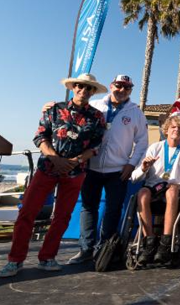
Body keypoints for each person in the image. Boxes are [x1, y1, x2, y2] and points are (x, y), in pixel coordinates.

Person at [1, 73, 107, 277]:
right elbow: (40, 136)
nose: (83, 90)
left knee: (62, 217)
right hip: (47, 169)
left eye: (88, 88)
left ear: (93, 92)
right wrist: (56, 159)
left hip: (75, 172)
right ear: (73, 87)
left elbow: (96, 145)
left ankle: (47, 257)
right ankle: (15, 260)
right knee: (27, 213)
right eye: (79, 86)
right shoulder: (54, 109)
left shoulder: (97, 117)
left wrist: (74, 161)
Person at [68, 74, 148, 265]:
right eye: (119, 85)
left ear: (130, 90)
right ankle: (86, 249)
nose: (122, 90)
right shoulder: (95, 105)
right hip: (90, 167)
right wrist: (51, 106)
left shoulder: (136, 113)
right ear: (112, 86)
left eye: (127, 87)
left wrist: (131, 164)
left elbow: (142, 143)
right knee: (88, 208)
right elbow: (71, 114)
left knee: (113, 210)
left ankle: (104, 249)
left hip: (118, 170)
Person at [129, 116, 180, 265]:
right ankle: (149, 242)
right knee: (142, 193)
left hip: (174, 189)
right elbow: (134, 178)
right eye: (173, 127)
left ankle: (165, 243)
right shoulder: (155, 148)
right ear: (166, 130)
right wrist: (144, 167)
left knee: (172, 191)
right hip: (154, 188)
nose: (177, 131)